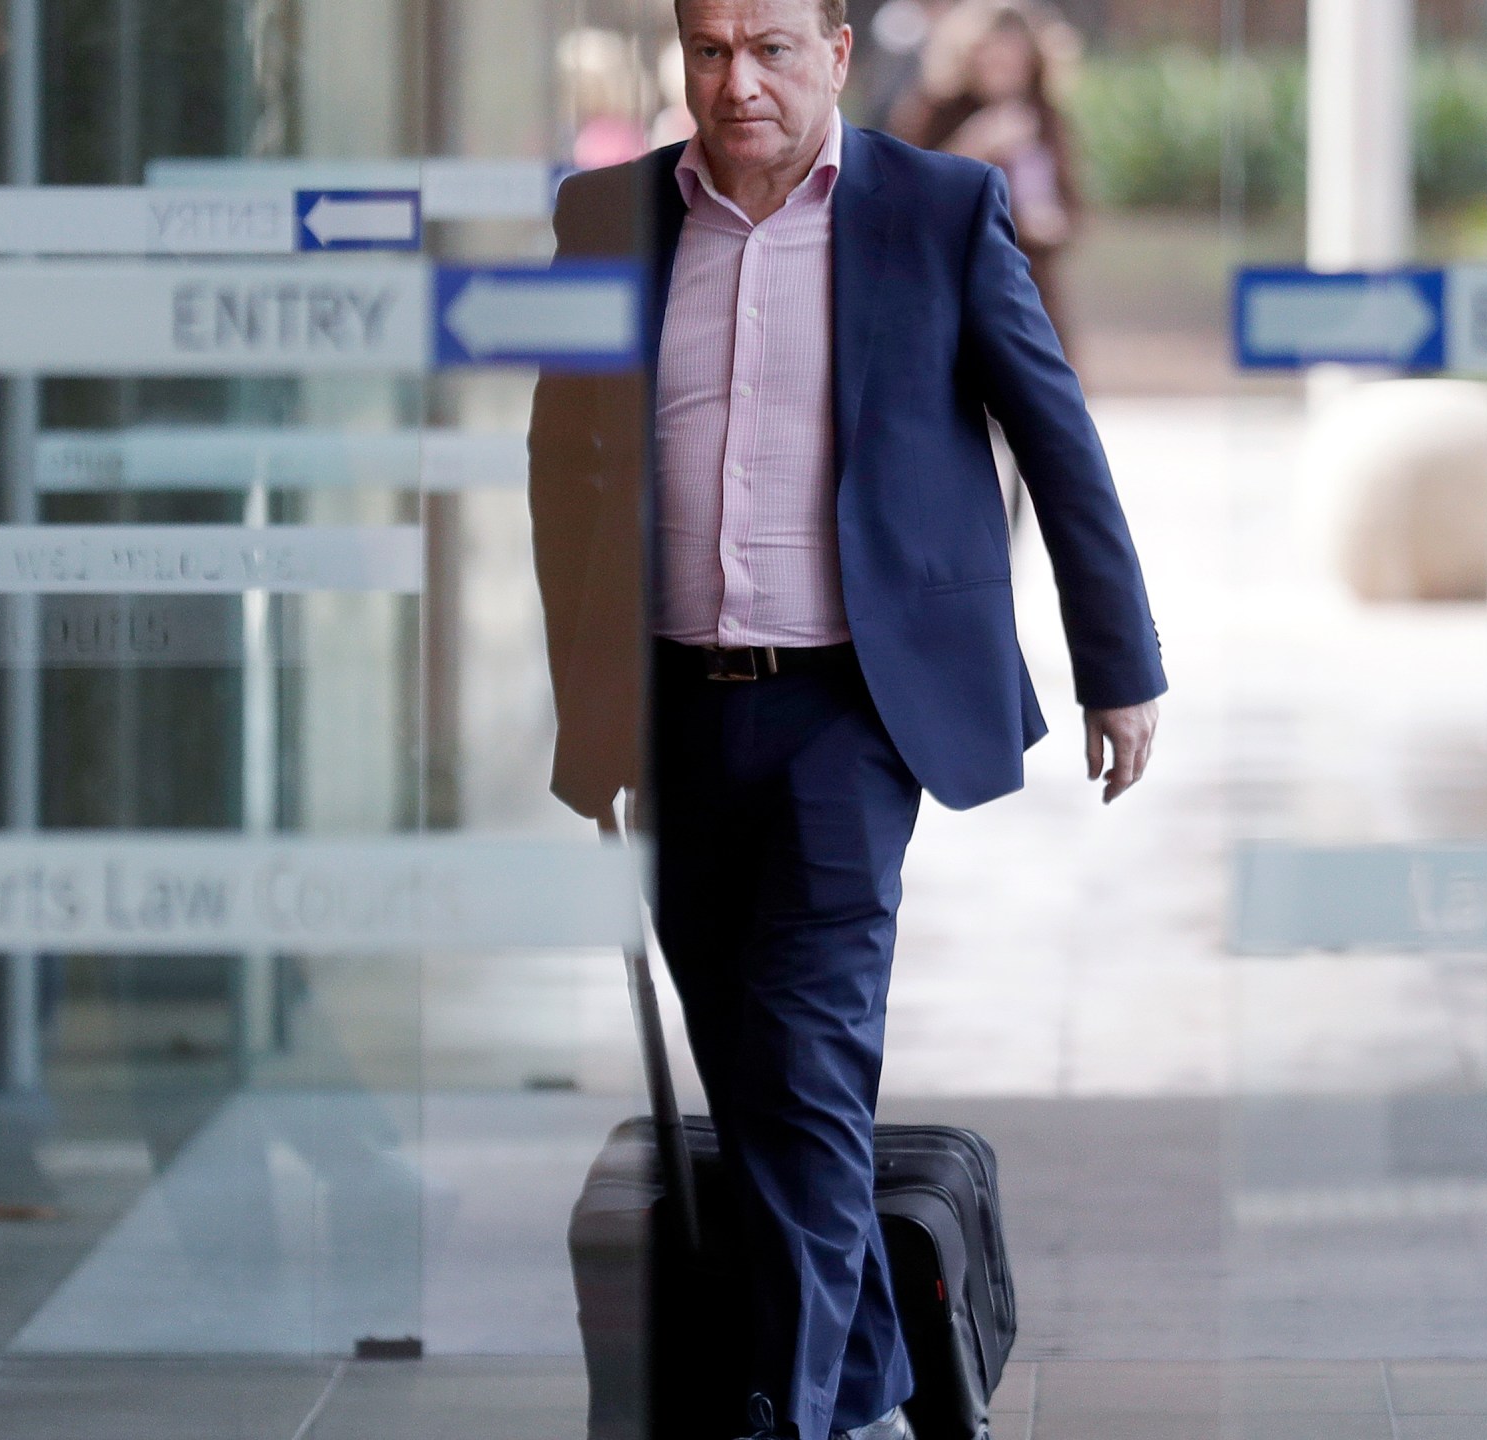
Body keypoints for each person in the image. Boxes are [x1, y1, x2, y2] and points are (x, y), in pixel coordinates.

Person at [527, 0, 1163, 1433]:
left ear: (832, 48)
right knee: (750, 1070)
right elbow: (562, 470)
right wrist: (589, 718)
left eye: (769, 49)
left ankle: (786, 1411)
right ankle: (876, 1385)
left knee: (807, 1056)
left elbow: (1055, 437)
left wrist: (1115, 661)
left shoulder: (936, 211)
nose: (735, 82)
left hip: (850, 710)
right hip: (678, 705)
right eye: (707, 51)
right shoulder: (606, 218)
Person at [889, 0, 1084, 350]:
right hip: (951, 290)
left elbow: (1070, 205)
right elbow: (907, 194)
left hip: (1028, 293)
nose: (1002, 66)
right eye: (992, 55)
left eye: (1013, 58)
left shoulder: (1044, 117)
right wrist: (973, 147)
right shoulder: (936, 112)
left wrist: (1050, 223)